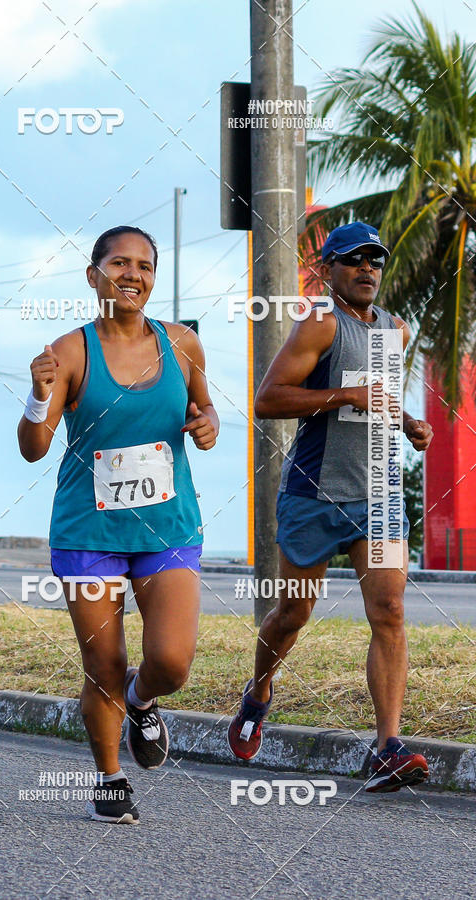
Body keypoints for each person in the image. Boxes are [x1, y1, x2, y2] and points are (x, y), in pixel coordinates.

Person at [18, 225, 219, 823]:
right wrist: (37, 394)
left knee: (173, 662)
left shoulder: (182, 344)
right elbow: (33, 447)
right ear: (93, 275)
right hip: (91, 534)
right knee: (102, 665)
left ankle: (142, 699)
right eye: (119, 263)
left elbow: (202, 406)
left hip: (168, 526)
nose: (133, 274)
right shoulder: (71, 352)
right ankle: (109, 779)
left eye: (145, 266)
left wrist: (207, 423)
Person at [228, 222, 433, 793]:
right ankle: (260, 691)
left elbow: (380, 402)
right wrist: (342, 394)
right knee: (294, 614)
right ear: (329, 270)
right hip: (314, 494)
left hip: (381, 493)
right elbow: (268, 400)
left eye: (376, 260)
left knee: (389, 610)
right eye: (354, 260)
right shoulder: (320, 323)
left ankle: (387, 746)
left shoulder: (396, 329)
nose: (368, 269)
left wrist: (410, 424)